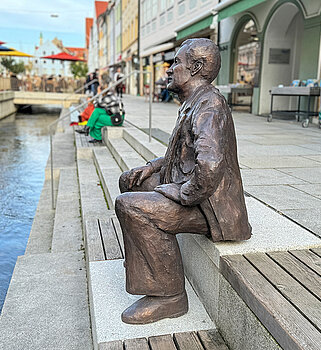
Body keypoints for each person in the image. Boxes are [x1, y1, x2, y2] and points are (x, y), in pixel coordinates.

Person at [115, 38, 252, 325]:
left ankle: (170, 296)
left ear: (197, 67)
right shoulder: (194, 101)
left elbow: (210, 165)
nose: (169, 68)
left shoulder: (209, 105)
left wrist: (183, 195)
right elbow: (184, 151)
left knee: (131, 206)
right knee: (131, 183)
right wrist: (151, 167)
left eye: (175, 62)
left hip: (210, 209)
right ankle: (145, 262)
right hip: (193, 189)